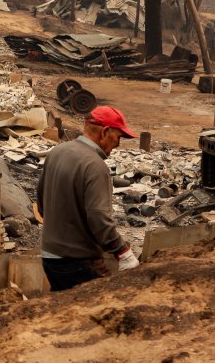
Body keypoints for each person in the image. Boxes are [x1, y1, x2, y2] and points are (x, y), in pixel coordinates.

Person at [36, 106, 141, 292]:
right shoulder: (95, 166)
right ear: (105, 132)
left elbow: (42, 205)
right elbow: (98, 216)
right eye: (118, 137)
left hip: (50, 258)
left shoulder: (57, 152)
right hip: (78, 261)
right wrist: (122, 251)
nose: (118, 144)